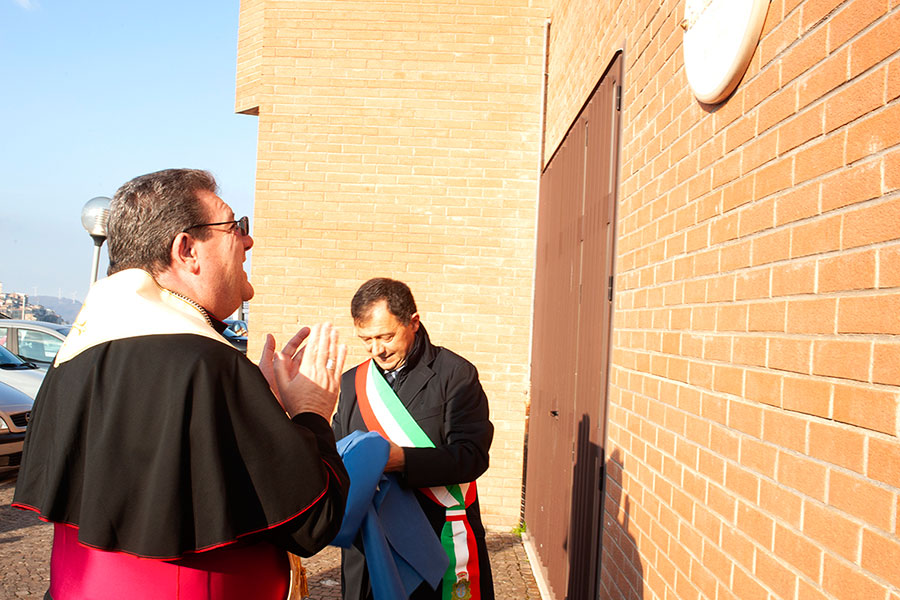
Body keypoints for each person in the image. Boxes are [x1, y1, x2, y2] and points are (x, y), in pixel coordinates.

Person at [13, 168, 350, 600]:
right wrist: (311, 410)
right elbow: (314, 522)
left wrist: (256, 406)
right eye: (235, 227)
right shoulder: (208, 365)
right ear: (187, 249)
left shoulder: (74, 356)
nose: (248, 241)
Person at [332, 278, 495, 600]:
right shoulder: (353, 382)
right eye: (366, 339)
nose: (376, 350)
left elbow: (472, 455)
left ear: (413, 322)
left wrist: (401, 460)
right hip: (370, 540)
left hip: (432, 536)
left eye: (386, 336)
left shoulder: (455, 375)